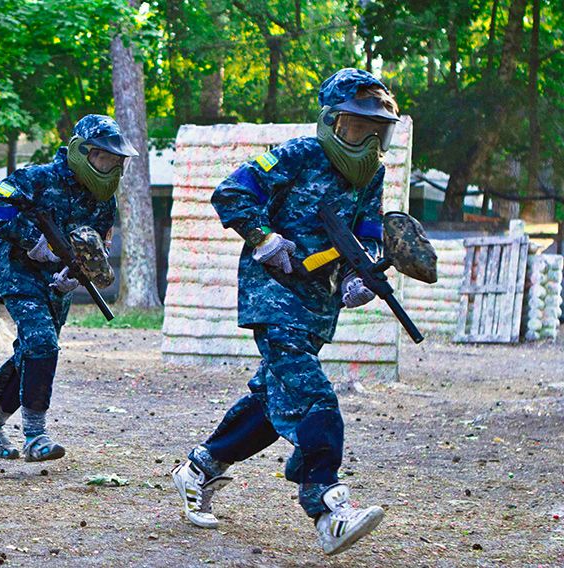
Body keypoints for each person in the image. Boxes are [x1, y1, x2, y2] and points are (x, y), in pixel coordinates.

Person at [170, 69, 400, 556]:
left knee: (271, 400)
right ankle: (328, 507)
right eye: (358, 126)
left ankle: (200, 466)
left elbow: (368, 227)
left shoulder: (372, 173)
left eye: (377, 129)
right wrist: (264, 238)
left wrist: (361, 276)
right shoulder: (297, 155)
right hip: (272, 293)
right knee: (313, 396)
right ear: (333, 121)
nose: (368, 138)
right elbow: (230, 193)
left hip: (318, 303)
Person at [0, 115, 137, 462]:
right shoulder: (36, 178)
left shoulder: (103, 202)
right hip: (20, 274)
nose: (111, 166)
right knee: (41, 343)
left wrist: (76, 277)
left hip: (57, 285)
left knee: (32, 354)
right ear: (82, 152)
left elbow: (96, 248)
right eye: (104, 158)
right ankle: (36, 435)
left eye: (116, 161)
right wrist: (33, 241)